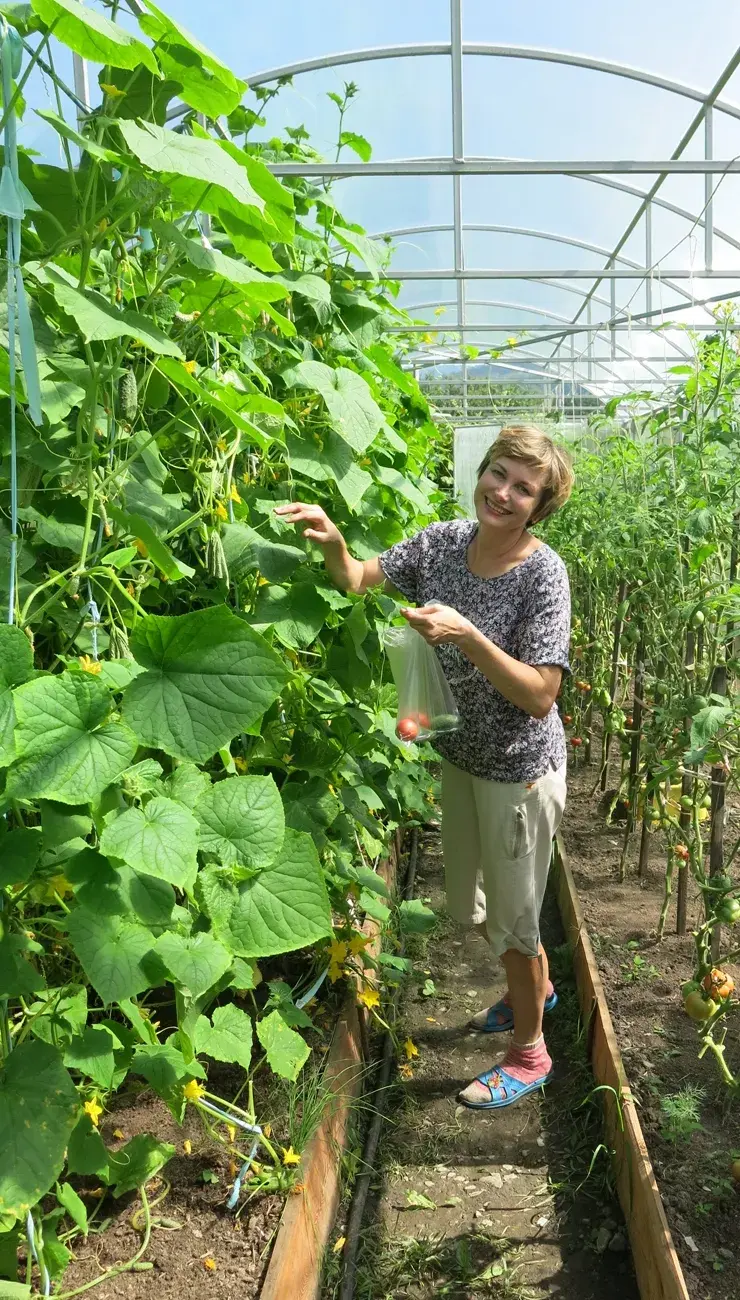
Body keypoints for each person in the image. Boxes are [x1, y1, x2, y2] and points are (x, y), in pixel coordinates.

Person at [275, 424, 574, 1109]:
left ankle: (530, 1054)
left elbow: (540, 695)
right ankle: (540, 991)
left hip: (519, 772)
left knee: (516, 923)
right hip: (461, 757)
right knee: (483, 910)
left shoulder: (542, 573)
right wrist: (333, 542)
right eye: (498, 472)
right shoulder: (441, 543)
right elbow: (356, 580)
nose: (502, 491)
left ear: (539, 504)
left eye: (523, 487)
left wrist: (467, 635)